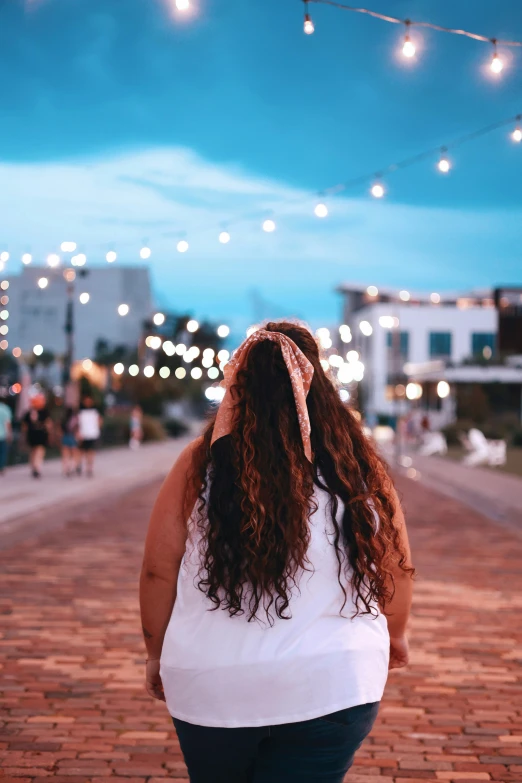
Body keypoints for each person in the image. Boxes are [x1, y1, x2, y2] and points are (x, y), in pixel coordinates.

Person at [140, 322, 414, 783]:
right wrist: (397, 633)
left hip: (213, 684)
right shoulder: (356, 462)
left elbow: (157, 571)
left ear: (239, 381)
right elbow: (395, 563)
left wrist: (154, 653)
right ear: (318, 381)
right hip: (331, 683)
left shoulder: (200, 461)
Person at [22, 395, 52, 478]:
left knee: (34, 451)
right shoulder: (44, 412)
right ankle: (36, 466)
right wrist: (49, 433)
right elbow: (48, 424)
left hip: (32, 434)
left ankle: (34, 466)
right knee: (39, 451)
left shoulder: (29, 413)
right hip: (40, 433)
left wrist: (24, 435)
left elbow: (24, 426)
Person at [77, 397, 102, 477]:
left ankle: (89, 468)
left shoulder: (95, 412)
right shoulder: (81, 412)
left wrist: (96, 429)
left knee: (91, 452)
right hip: (83, 435)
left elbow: (99, 421)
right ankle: (80, 465)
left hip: (92, 434)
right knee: (82, 452)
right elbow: (78, 423)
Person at [60, 407, 79, 477]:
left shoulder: (63, 420)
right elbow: (77, 429)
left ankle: (66, 468)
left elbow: (61, 430)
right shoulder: (75, 419)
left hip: (65, 437)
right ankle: (72, 467)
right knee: (74, 454)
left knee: (65, 455)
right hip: (72, 437)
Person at [0, 399, 13, 475]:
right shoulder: (5, 409)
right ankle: (1, 468)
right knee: (2, 452)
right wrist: (10, 434)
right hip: (3, 435)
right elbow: (7, 423)